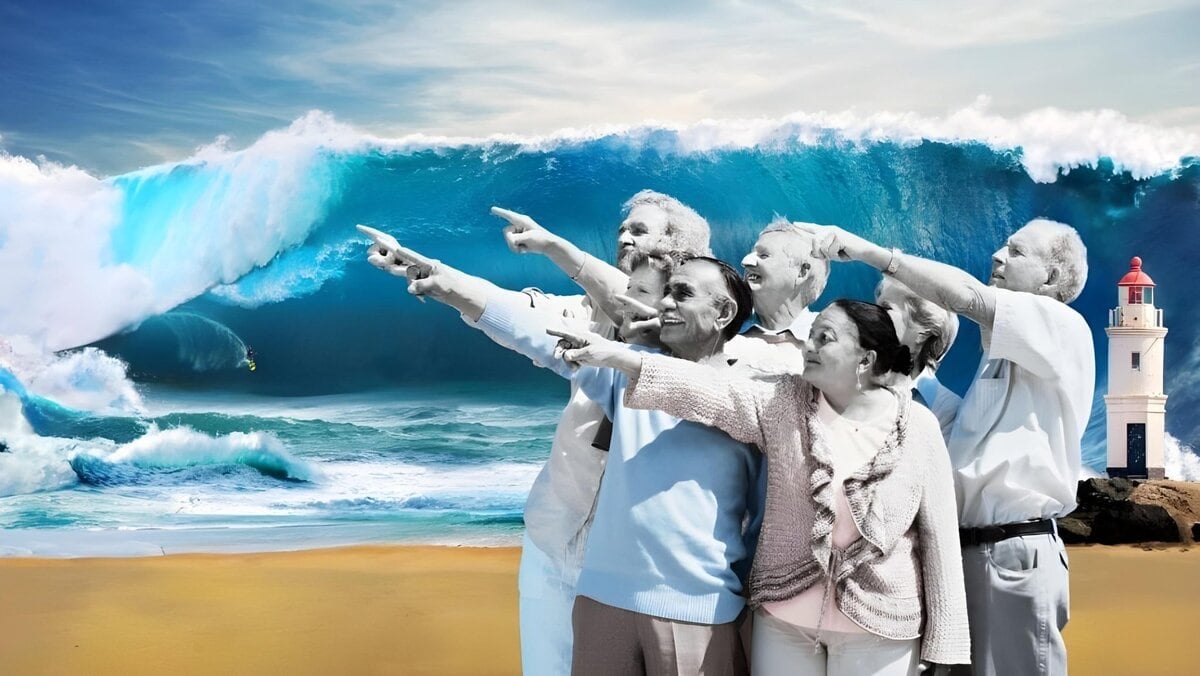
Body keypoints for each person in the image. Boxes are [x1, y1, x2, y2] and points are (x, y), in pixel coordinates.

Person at [359, 192, 713, 676]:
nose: (625, 237)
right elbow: (519, 317)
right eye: (622, 229)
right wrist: (439, 279)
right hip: (556, 533)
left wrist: (554, 246)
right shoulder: (588, 314)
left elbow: (626, 305)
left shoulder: (702, 350)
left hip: (633, 564)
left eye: (640, 230)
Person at [555, 300, 971, 674]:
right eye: (811, 335)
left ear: (866, 358)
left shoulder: (918, 427)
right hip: (785, 621)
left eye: (825, 338)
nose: (808, 346)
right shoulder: (781, 402)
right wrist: (617, 356)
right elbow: (705, 389)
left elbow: (939, 538)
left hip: (881, 626)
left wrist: (947, 643)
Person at [804, 218, 1093, 676]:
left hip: (1008, 554)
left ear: (1051, 278)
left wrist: (871, 253)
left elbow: (967, 297)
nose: (998, 255)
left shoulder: (1061, 325)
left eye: (1016, 252)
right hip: (975, 555)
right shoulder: (1006, 356)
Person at [726, 219, 830, 374]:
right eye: (751, 254)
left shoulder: (831, 334)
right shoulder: (724, 324)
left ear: (802, 272)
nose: (746, 262)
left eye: (763, 255)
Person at [875, 277, 961, 438]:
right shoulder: (857, 375)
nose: (871, 314)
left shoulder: (947, 410)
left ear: (923, 334)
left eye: (885, 308)